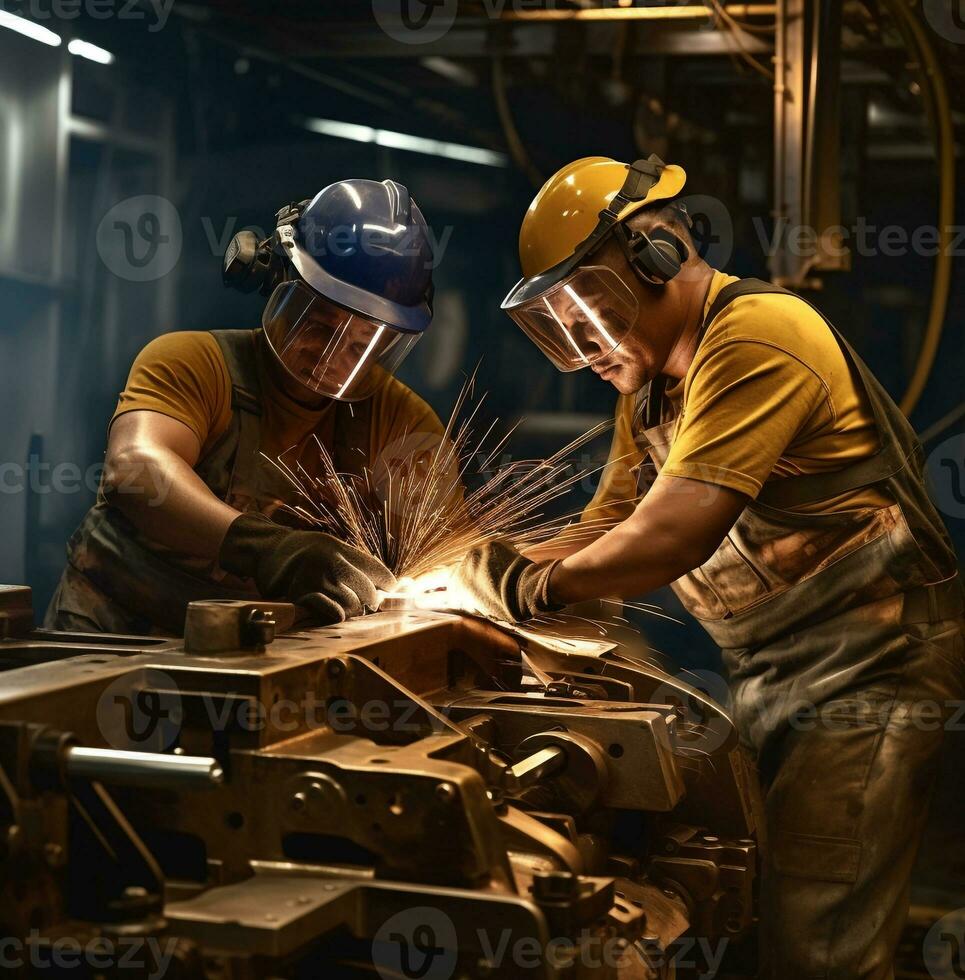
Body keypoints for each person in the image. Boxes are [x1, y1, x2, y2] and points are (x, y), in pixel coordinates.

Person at [455, 155, 965, 978]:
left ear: (656, 258)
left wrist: (537, 586)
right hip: (770, 669)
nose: (582, 345)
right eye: (563, 323)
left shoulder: (758, 334)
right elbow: (610, 523)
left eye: (590, 310)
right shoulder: (649, 389)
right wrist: (486, 567)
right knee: (748, 897)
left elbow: (673, 533)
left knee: (817, 938)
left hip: (874, 668)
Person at [47, 178, 447, 635]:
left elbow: (449, 554)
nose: (334, 358)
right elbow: (133, 470)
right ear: (273, 276)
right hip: (110, 640)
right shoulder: (192, 363)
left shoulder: (398, 419)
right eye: (318, 325)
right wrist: (269, 548)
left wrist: (523, 580)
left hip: (255, 658)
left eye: (362, 344)